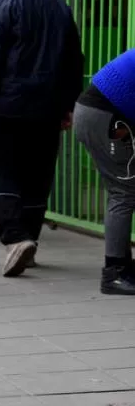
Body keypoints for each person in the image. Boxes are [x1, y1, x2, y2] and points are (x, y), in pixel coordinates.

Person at [0, 0, 84, 277]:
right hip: (47, 108)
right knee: (37, 174)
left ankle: (16, 238)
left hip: (5, 106)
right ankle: (31, 240)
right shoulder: (58, 6)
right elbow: (73, 61)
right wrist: (67, 105)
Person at [74, 49, 135, 295]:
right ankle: (114, 274)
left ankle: (124, 267)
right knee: (124, 191)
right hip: (103, 117)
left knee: (124, 190)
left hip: (97, 113)